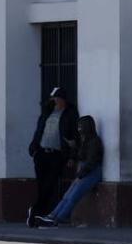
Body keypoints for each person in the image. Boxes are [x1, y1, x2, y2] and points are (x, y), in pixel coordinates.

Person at [32, 115, 103, 227]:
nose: (79, 129)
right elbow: (82, 157)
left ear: (87, 127)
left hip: (91, 172)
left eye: (81, 126)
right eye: (78, 126)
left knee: (73, 196)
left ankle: (57, 219)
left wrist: (80, 175)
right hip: (84, 172)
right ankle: (51, 216)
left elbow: (91, 161)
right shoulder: (85, 140)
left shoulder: (94, 141)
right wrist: (74, 147)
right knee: (67, 195)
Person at [27, 86, 78, 225]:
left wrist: (72, 156)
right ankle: (39, 215)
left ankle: (37, 212)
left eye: (56, 98)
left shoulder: (70, 113)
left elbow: (74, 135)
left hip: (57, 155)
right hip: (42, 153)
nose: (54, 101)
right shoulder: (47, 112)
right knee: (42, 185)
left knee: (50, 185)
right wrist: (33, 146)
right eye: (53, 98)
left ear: (63, 99)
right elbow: (39, 130)